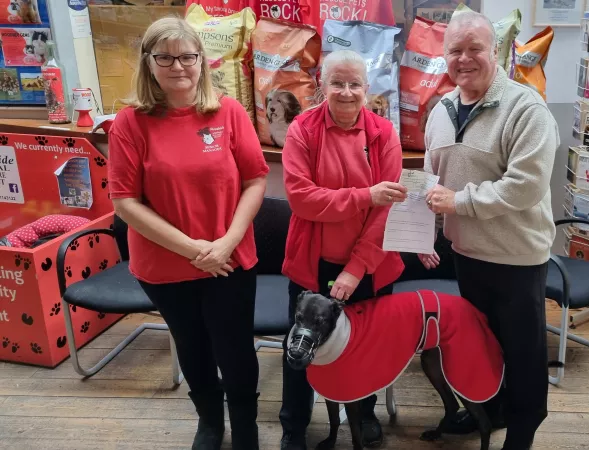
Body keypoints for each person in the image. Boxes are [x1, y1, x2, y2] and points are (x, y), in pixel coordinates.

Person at [107, 17, 268, 450]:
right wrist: (196, 249)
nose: (178, 66)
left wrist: (226, 243)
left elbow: (255, 180)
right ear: (149, 62)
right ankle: (210, 423)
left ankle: (246, 429)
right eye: (165, 57)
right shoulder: (129, 123)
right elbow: (124, 201)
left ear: (202, 60)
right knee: (192, 346)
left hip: (230, 257)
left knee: (235, 350)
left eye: (187, 56)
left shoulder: (229, 112)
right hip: (165, 263)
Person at [420, 11, 560, 450]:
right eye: (455, 50)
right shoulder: (440, 110)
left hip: (516, 257)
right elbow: (431, 175)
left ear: (494, 50)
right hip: (468, 254)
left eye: (474, 48)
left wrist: (458, 203)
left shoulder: (526, 108)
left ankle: (524, 425)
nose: (464, 59)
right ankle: (493, 410)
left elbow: (525, 187)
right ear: (444, 57)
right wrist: (427, 224)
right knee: (483, 345)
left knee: (523, 353)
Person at [279, 50, 407, 450]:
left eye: (355, 84)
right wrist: (363, 195)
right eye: (338, 83)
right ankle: (294, 427)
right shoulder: (302, 130)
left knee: (364, 350)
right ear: (323, 84)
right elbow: (302, 199)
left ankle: (364, 412)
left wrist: (356, 267)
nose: (347, 92)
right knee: (300, 350)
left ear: (368, 89)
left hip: (371, 268)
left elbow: (388, 210)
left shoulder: (384, 133)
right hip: (312, 266)